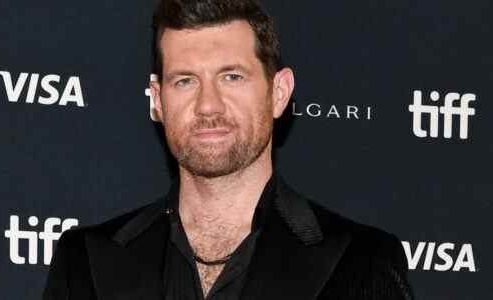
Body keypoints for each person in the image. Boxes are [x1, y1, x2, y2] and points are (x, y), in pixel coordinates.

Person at [43, 0, 413, 299]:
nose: (208, 105)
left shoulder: (362, 263)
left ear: (279, 93)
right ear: (158, 100)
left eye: (231, 77)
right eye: (185, 81)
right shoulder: (85, 262)